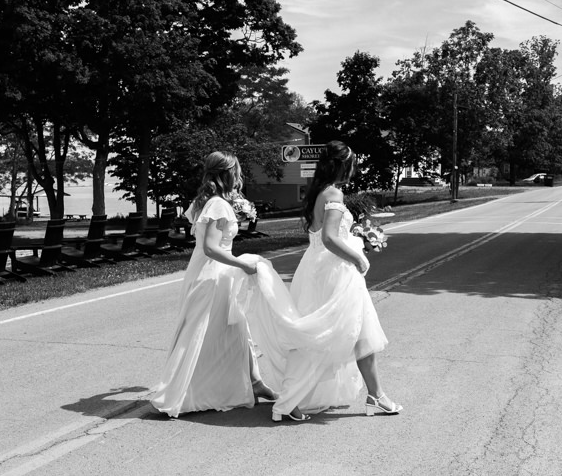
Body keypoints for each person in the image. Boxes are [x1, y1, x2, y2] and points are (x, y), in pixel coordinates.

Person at [271, 141, 402, 422]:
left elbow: (325, 235)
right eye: (353, 163)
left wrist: (356, 236)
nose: (355, 168)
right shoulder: (334, 193)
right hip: (335, 273)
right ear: (343, 164)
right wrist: (358, 257)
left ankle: (375, 395)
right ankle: (290, 400)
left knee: (359, 332)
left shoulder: (320, 191)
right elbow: (330, 238)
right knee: (324, 335)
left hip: (318, 268)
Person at [149, 152, 278, 417]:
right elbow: (210, 247)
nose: (239, 176)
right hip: (213, 275)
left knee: (235, 328)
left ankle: (255, 383)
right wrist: (243, 264)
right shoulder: (218, 204)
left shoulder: (204, 202)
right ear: (225, 174)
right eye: (236, 171)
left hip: (207, 273)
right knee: (201, 334)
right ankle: (181, 393)